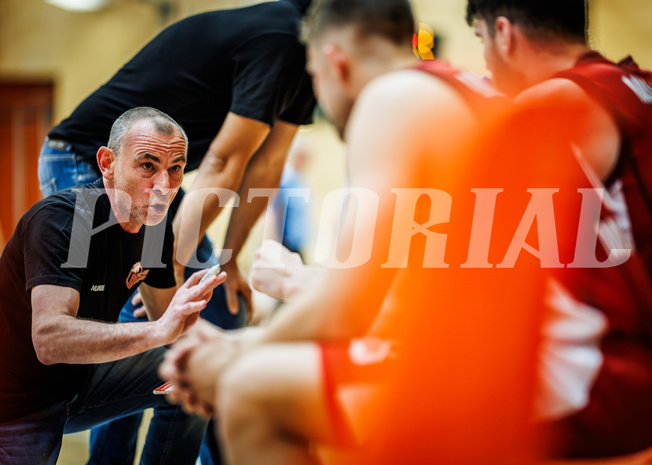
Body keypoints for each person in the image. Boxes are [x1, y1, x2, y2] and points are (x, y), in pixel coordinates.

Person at [159, 0, 558, 463]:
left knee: (250, 391)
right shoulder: (468, 91)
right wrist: (241, 341)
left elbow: (346, 312)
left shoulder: (391, 99)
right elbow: (393, 301)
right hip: (528, 358)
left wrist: (234, 356)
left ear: (334, 61)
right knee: (267, 368)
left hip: (496, 381)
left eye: (312, 76)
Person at [38, 1, 316, 461]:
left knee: (221, 314)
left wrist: (227, 260)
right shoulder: (281, 40)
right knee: (141, 314)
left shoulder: (306, 62)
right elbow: (226, 162)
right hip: (90, 160)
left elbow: (265, 165)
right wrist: (164, 266)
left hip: (161, 181)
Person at [466, 0, 652, 455]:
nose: (486, 63)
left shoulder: (559, 102)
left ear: (504, 33)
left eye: (481, 42)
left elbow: (487, 254)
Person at [0, 107, 227, 465]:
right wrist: (159, 330)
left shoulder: (153, 225)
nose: (163, 186)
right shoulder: (69, 219)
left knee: (195, 367)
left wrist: (196, 322)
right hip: (17, 403)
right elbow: (49, 340)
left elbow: (171, 325)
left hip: (83, 383)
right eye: (148, 166)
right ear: (107, 162)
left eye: (175, 168)